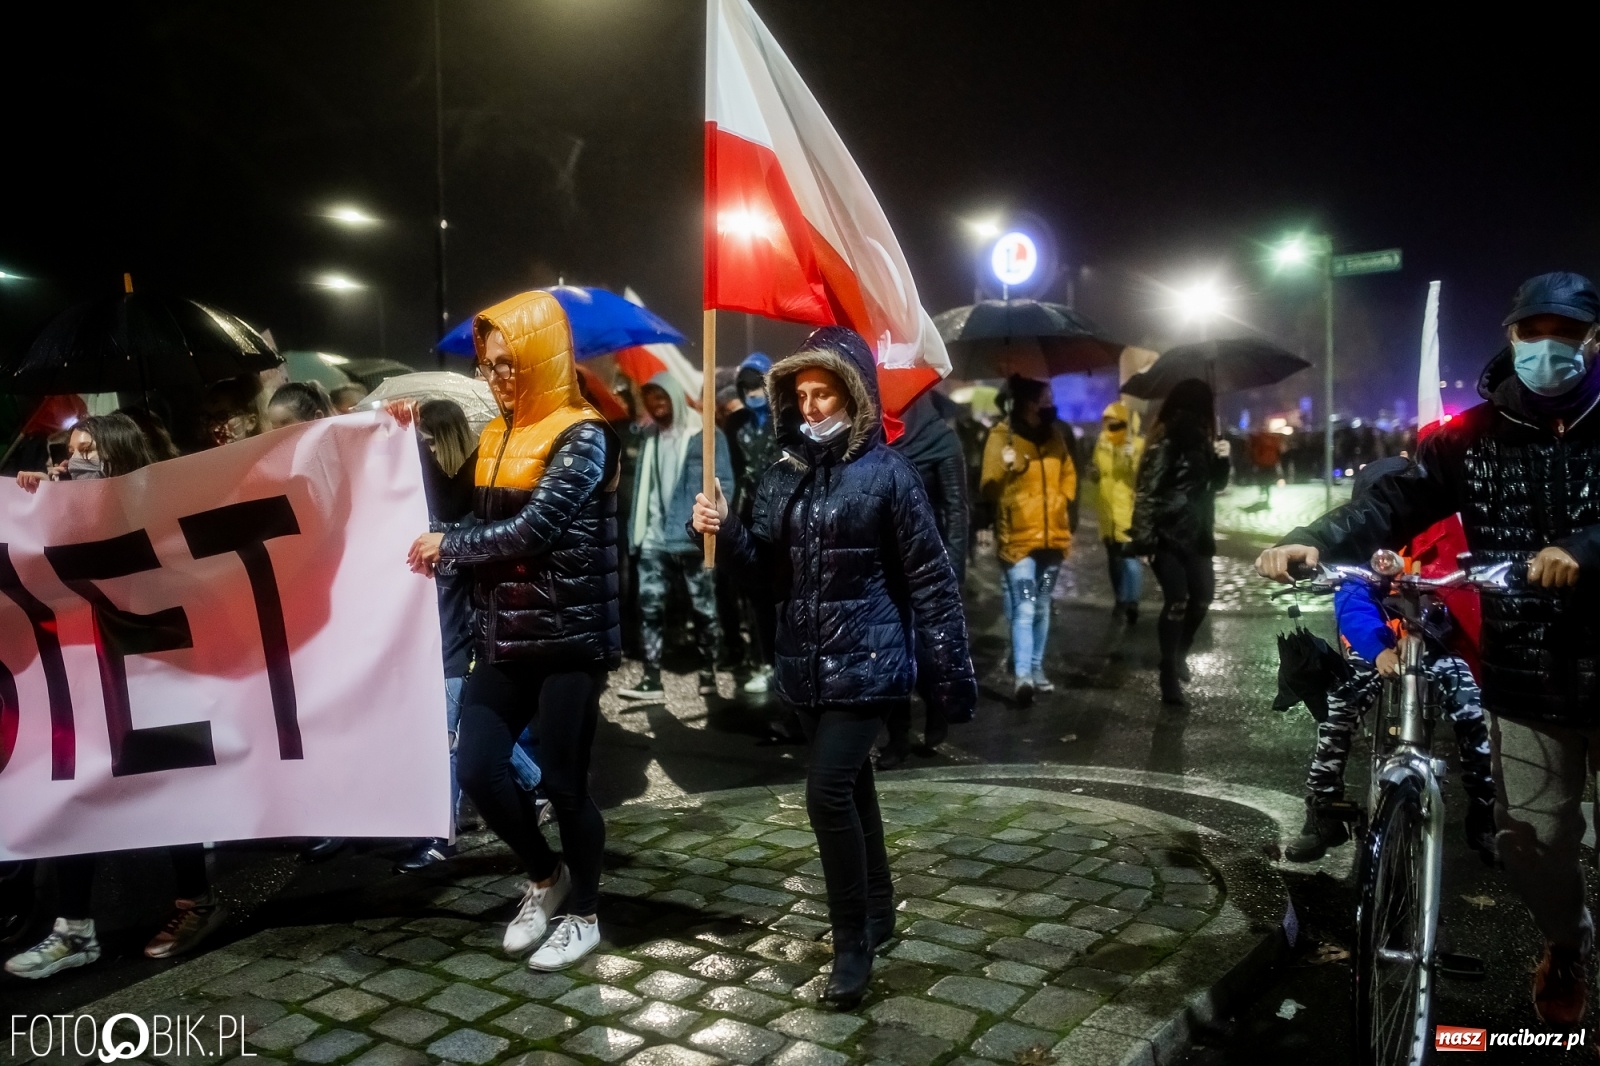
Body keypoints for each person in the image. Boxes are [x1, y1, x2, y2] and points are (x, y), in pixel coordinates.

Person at [1258, 271, 1600, 1024]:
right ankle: (1566, 946)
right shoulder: (1470, 439)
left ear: (1593, 339)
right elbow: (1392, 501)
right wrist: (1311, 540)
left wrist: (1583, 548)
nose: (1549, 348)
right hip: (1528, 675)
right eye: (1533, 332)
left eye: (1567, 333)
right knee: (1530, 843)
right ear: (1512, 337)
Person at [691, 326, 976, 1008]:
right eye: (803, 393)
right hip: (809, 664)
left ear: (854, 395)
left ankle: (850, 947)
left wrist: (946, 682)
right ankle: (878, 914)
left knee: (825, 795)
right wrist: (727, 533)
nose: (813, 405)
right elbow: (766, 575)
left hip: (870, 663)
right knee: (853, 793)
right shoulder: (784, 472)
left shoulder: (889, 474)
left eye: (825, 392)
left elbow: (932, 582)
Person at [408, 289, 620, 972]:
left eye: (508, 365)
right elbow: (465, 517)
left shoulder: (583, 433)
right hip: (503, 637)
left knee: (563, 785)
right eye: (488, 366)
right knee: (477, 767)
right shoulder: (496, 434)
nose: (497, 379)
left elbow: (536, 527)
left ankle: (583, 911)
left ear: (540, 360)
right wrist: (402, 438)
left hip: (567, 639)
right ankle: (544, 876)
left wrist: (452, 546)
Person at [7, 415, 226, 979]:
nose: (70, 463)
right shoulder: (59, 505)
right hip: (88, 672)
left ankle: (195, 903)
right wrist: (34, 502)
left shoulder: (153, 511)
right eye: (68, 452)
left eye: (87, 454)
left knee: (171, 782)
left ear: (119, 461)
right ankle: (74, 928)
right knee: (75, 788)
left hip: (157, 668)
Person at [1282, 457, 1494, 862]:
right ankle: (1323, 808)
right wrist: (1378, 649)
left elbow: (1460, 595)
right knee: (1339, 709)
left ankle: (1485, 812)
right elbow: (1353, 604)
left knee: (1471, 709)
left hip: (1434, 648)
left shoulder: (1441, 545)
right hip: (1375, 652)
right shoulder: (1362, 552)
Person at [396, 399, 480, 874]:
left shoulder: (470, 489)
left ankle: (440, 836)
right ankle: (533, 791)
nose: (417, 450)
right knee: (464, 731)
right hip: (438, 629)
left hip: (457, 634)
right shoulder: (427, 488)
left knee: (446, 737)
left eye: (423, 441)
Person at [616, 371, 733, 702]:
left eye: (662, 396)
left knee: (704, 609)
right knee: (649, 606)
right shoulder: (649, 436)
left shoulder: (705, 435)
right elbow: (642, 487)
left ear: (675, 397)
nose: (656, 404)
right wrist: (636, 533)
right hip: (653, 535)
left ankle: (708, 671)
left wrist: (712, 523)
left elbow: (725, 482)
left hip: (691, 537)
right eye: (651, 398)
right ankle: (652, 677)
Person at [881, 391, 970, 767]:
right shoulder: (877, 440)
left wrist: (953, 569)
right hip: (885, 561)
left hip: (928, 564)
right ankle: (898, 737)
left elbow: (956, 508)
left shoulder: (942, 440)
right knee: (889, 651)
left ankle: (935, 705)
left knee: (925, 650)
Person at [1128, 379, 1230, 706]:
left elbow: (1216, 484)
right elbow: (1145, 492)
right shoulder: (1168, 439)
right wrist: (1144, 543)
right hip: (1166, 535)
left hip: (1198, 534)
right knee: (1177, 600)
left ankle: (1178, 653)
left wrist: (1223, 458)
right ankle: (1168, 673)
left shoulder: (1204, 439)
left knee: (1203, 598)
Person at [981, 375, 1077, 705]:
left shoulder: (1055, 438)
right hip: (1019, 540)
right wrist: (1005, 468)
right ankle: (1022, 677)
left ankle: (1036, 668)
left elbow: (1069, 476)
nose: (1050, 404)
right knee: (1025, 605)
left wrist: (1063, 503)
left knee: (1043, 605)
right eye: (1044, 398)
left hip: (1052, 539)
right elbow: (988, 489)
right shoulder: (1000, 437)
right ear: (1026, 402)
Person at [727, 352, 781, 695]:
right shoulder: (736, 424)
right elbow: (732, 470)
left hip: (783, 519)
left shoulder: (786, 422)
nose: (752, 391)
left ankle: (787, 664)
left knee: (785, 596)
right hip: (749, 518)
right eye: (745, 385)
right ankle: (767, 662)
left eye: (758, 383)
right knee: (757, 597)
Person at [1089, 401, 1145, 622]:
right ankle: (1119, 600)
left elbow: (1138, 478)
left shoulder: (1137, 444)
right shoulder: (1102, 444)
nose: (1108, 427)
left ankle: (1132, 601)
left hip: (1128, 509)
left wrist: (1132, 457)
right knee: (1113, 559)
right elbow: (1098, 471)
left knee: (1130, 558)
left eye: (1113, 423)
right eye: (1106, 423)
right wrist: (1093, 473)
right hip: (1107, 510)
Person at [200, 374, 267, 446]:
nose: (213, 429)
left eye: (222, 417)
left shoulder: (269, 452)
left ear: (251, 422)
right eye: (207, 419)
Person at [266, 381, 334, 429]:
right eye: (275, 429)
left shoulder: (340, 446)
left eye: (285, 427)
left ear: (318, 417)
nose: (278, 436)